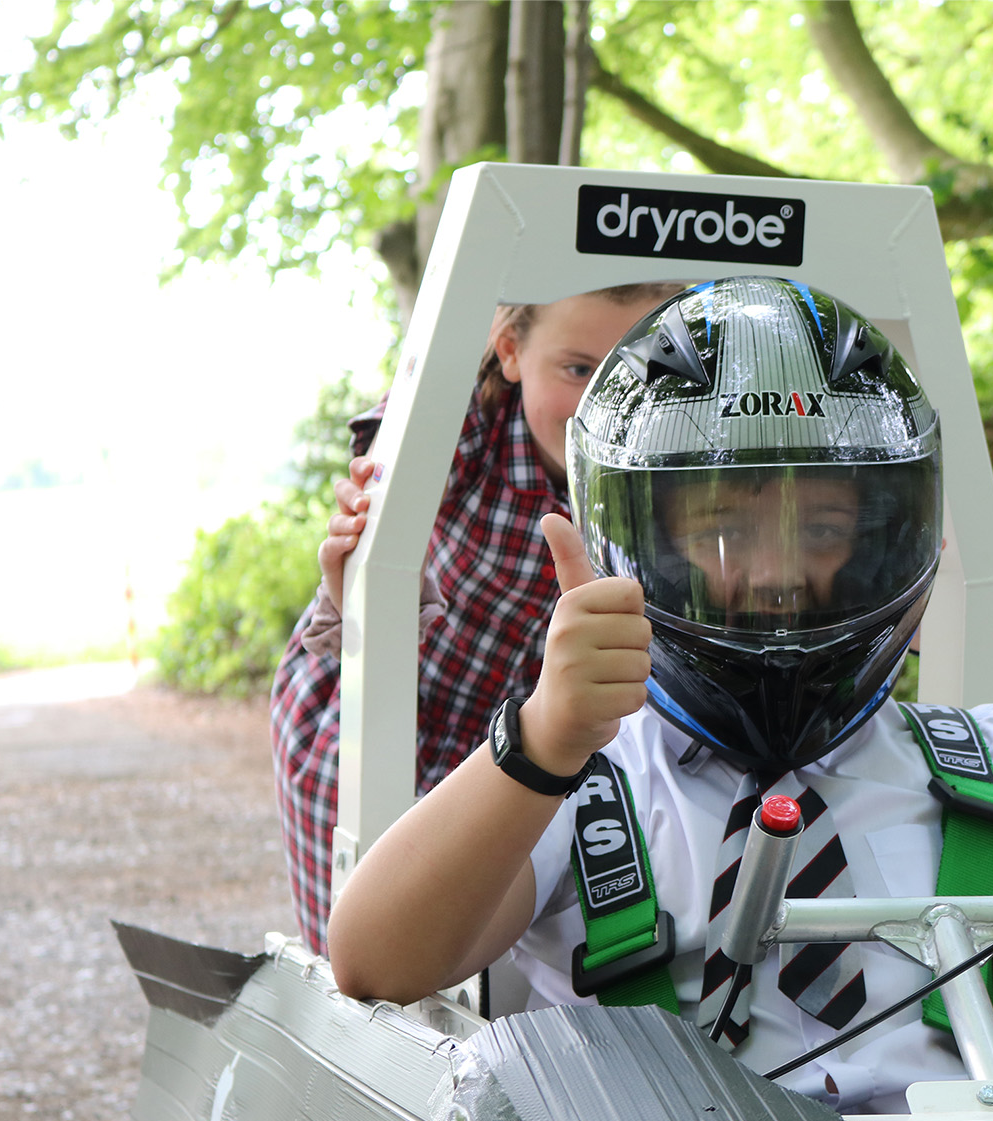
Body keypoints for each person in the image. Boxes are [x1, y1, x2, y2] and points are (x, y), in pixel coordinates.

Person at [328, 276, 993, 1111]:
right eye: (719, 528)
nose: (778, 574)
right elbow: (374, 962)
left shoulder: (985, 771)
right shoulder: (581, 777)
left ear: (887, 538)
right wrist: (545, 739)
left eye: (823, 529)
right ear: (641, 542)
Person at [270, 283, 683, 957]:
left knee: (499, 943)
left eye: (637, 369)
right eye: (578, 369)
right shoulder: (471, 425)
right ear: (511, 350)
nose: (604, 401)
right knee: (376, 941)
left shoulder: (669, 456)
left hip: (531, 735)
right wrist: (368, 524)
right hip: (386, 703)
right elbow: (387, 495)